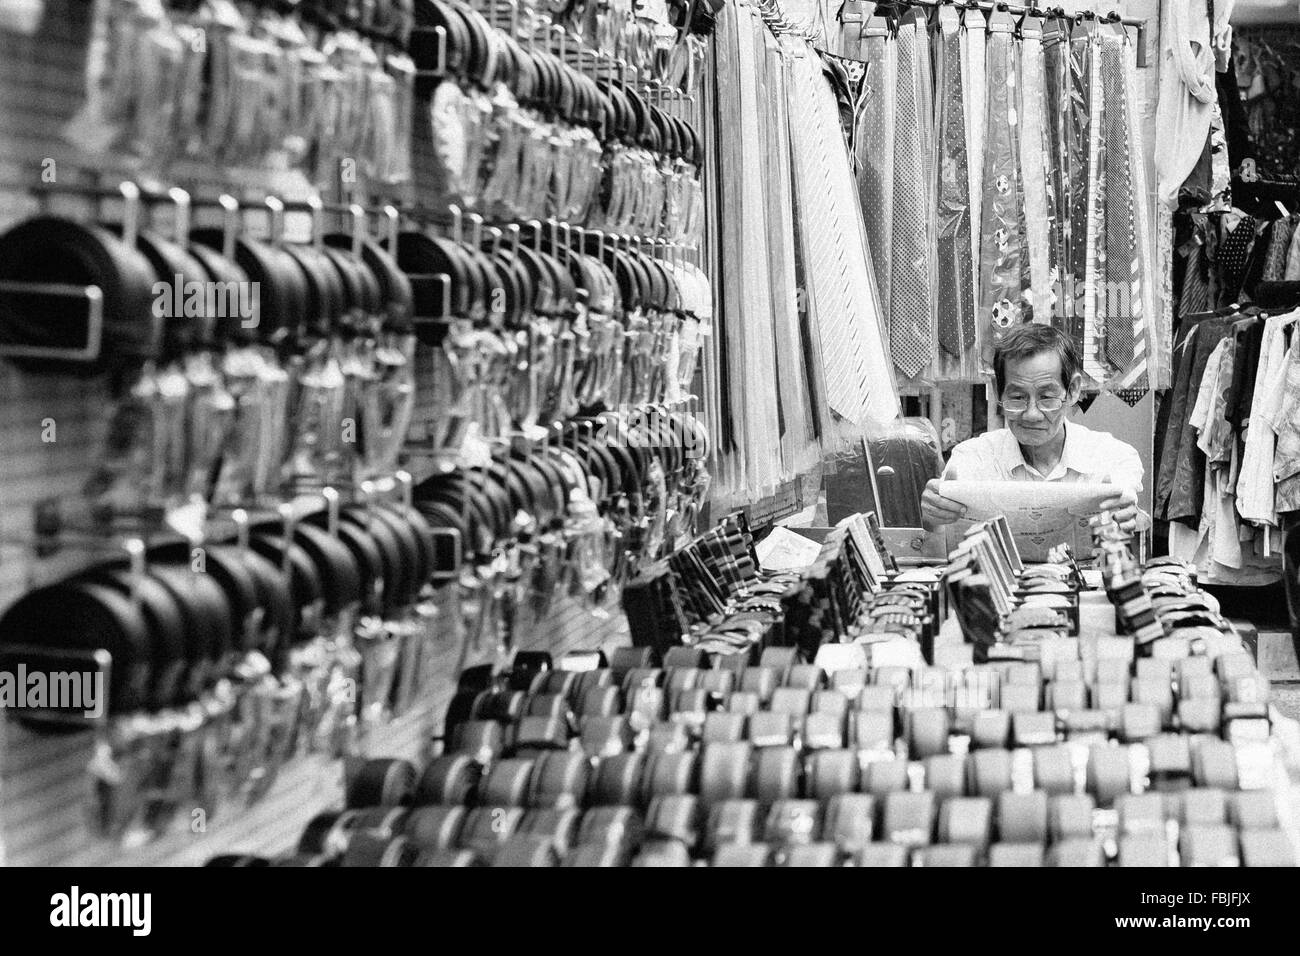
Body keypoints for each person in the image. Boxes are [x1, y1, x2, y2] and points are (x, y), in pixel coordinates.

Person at [920, 324, 1145, 533]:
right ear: (999, 392)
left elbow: (1135, 517)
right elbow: (940, 532)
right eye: (1017, 397)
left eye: (1047, 397)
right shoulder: (973, 458)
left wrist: (1129, 516)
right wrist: (933, 516)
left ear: (1073, 390)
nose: (1032, 414)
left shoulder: (1113, 456)